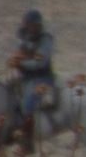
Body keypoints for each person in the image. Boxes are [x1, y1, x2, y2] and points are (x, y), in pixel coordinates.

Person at [9, 9, 56, 144]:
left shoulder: (45, 40)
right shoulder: (23, 37)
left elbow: (40, 63)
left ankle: (27, 139)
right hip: (25, 77)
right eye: (27, 24)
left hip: (41, 78)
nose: (29, 27)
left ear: (38, 25)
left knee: (27, 104)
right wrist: (14, 61)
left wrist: (21, 63)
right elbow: (18, 53)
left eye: (32, 25)